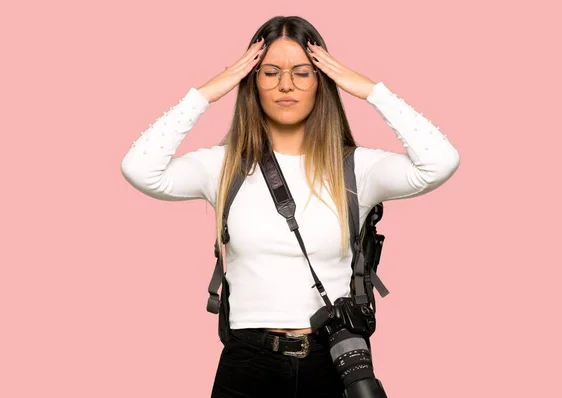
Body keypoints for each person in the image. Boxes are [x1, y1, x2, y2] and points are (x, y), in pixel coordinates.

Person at [120, 15, 460, 398]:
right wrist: (208, 92)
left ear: (322, 82)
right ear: (252, 82)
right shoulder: (223, 166)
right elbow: (139, 169)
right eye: (269, 73)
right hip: (247, 360)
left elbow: (439, 161)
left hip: (330, 358)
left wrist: (370, 91)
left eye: (302, 72)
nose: (286, 85)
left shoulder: (356, 169)